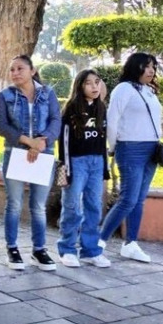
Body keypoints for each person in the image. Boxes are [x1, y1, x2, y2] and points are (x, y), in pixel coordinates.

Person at [0, 55, 61, 271]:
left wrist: (42, 142)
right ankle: (12, 249)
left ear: (32, 70)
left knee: (38, 206)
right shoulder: (4, 96)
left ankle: (39, 250)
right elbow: (2, 125)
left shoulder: (48, 93)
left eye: (20, 68)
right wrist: (27, 141)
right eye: (12, 69)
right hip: (15, 152)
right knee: (14, 203)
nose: (15, 73)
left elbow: (55, 120)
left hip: (43, 153)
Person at [99, 52, 163, 263]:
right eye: (146, 66)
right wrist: (112, 147)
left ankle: (131, 244)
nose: (151, 70)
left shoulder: (149, 91)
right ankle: (99, 241)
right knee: (128, 198)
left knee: (139, 200)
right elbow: (112, 120)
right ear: (135, 67)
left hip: (151, 150)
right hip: (130, 148)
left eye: (153, 67)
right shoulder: (123, 89)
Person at [56, 69, 111, 268]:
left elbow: (102, 139)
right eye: (89, 83)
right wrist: (66, 168)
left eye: (97, 82)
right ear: (80, 86)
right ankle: (67, 249)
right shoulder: (71, 109)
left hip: (96, 163)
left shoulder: (101, 109)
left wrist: (105, 168)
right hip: (76, 163)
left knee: (94, 207)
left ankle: (90, 250)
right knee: (72, 207)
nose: (94, 86)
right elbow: (64, 142)